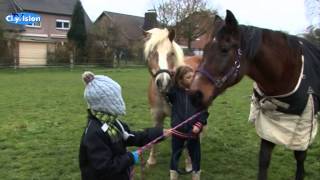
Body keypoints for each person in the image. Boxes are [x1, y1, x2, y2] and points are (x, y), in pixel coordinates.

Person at [79, 71, 168, 180]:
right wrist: (130, 158)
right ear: (105, 103)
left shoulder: (113, 123)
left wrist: (159, 133)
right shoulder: (94, 133)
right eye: (115, 98)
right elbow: (105, 168)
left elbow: (132, 137)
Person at [167, 66, 209, 180]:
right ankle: (173, 176)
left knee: (196, 157)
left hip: (193, 133)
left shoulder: (198, 94)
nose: (192, 79)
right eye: (188, 77)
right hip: (177, 132)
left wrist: (199, 125)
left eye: (193, 76)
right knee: (175, 156)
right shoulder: (174, 93)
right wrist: (172, 77)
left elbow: (204, 112)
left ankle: (196, 176)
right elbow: (167, 89)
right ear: (181, 80)